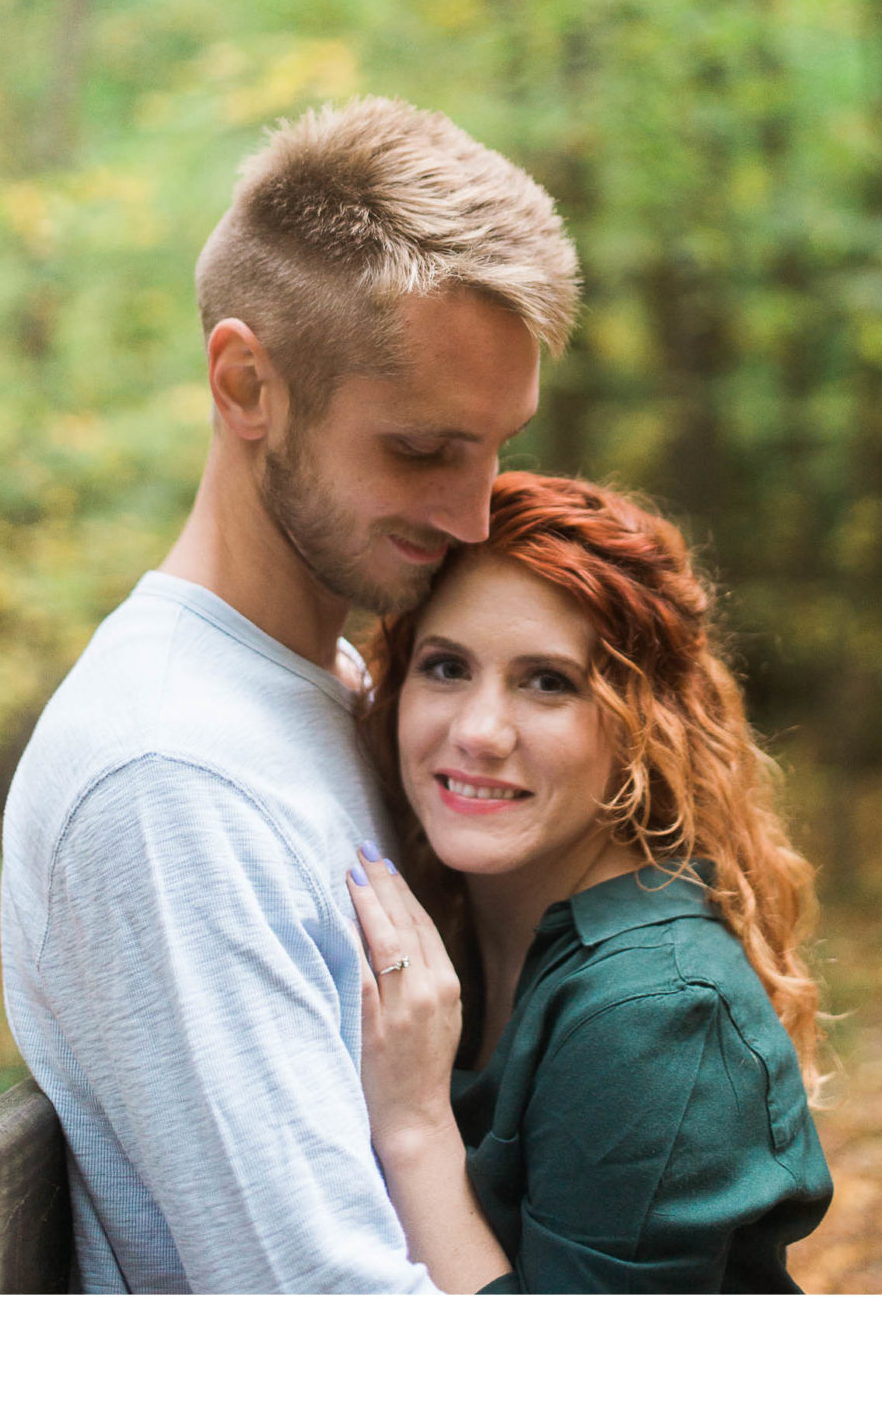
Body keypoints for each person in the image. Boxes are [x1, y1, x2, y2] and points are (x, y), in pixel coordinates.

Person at [0, 98, 579, 1292]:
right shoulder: (169, 782)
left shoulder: (339, 679)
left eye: (496, 446)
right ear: (245, 383)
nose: (476, 515)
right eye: (422, 450)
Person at [340, 471, 832, 1292]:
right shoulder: (466, 928)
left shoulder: (652, 1012)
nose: (480, 731)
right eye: (446, 667)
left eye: (547, 682)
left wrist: (415, 1126)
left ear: (641, 723)